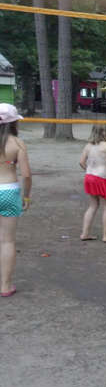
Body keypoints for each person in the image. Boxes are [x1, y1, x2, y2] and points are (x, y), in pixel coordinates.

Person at [0, 104, 31, 297]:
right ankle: (5, 285)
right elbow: (26, 175)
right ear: (13, 123)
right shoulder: (18, 144)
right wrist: (26, 196)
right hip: (9, 192)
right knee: (7, 241)